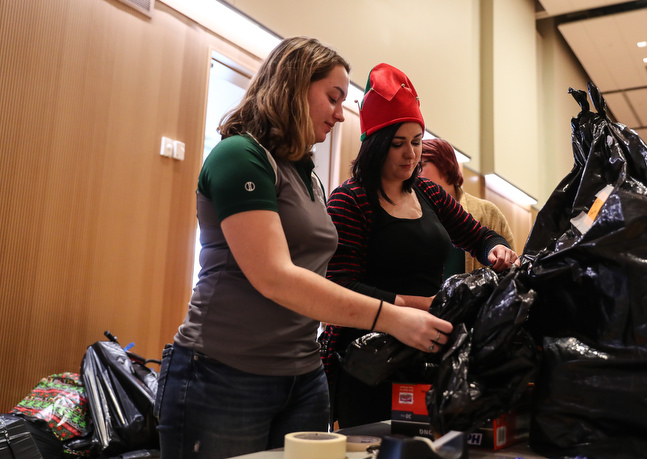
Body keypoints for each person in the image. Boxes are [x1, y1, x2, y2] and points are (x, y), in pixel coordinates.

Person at [154, 38, 453, 459]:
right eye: (333, 98)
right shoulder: (239, 156)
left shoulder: (307, 176)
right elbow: (275, 276)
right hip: (224, 375)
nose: (339, 114)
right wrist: (392, 317)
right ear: (293, 87)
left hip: (303, 374)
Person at [319, 63, 519, 428]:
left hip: (424, 348)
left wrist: (496, 248)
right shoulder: (350, 201)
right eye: (398, 144)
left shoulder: (427, 192)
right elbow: (340, 287)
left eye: (416, 142)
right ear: (376, 145)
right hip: (366, 359)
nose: (410, 155)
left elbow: (477, 234)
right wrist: (423, 306)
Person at [420, 138, 516, 278]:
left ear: (445, 164)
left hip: (476, 297)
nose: (415, 173)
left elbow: (509, 265)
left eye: (421, 165)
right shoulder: (414, 211)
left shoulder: (487, 212)